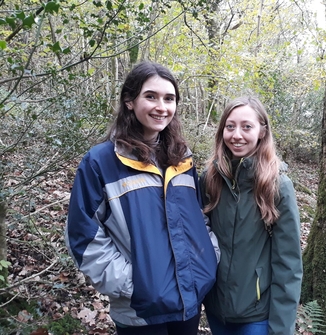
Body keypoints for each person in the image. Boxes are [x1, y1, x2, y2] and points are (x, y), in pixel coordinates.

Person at [65, 61, 219, 335]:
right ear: (129, 101)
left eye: (169, 98)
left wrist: (207, 259)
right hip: (141, 310)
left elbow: (198, 220)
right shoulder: (100, 162)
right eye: (151, 96)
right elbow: (83, 237)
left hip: (189, 301)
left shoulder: (182, 158)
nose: (162, 107)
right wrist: (134, 284)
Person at [200, 96, 303, 335]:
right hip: (216, 309)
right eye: (230, 126)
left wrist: (280, 329)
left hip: (256, 314)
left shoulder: (276, 185)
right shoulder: (210, 179)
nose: (237, 135)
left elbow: (288, 264)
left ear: (261, 132)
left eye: (247, 126)